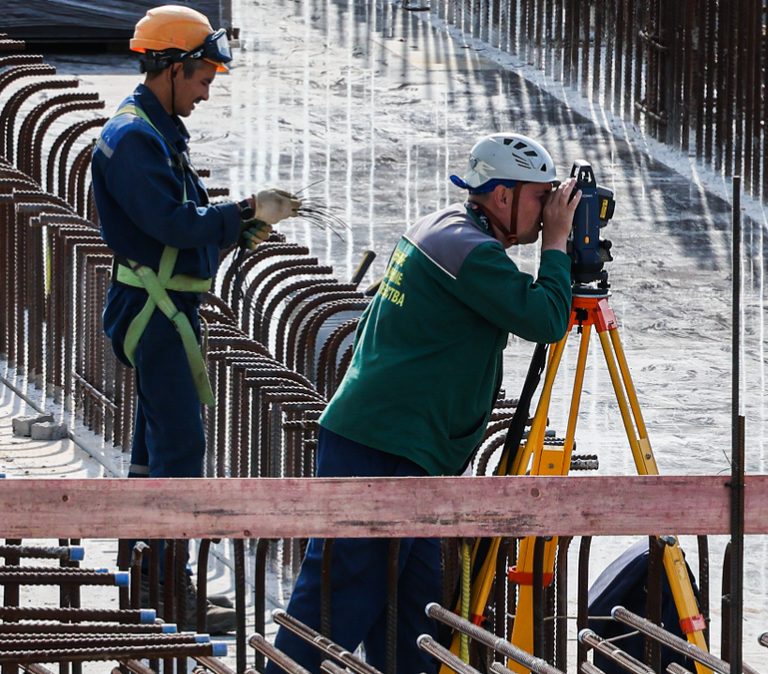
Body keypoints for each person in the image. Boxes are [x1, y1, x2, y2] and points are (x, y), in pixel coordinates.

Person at [268, 133, 580, 672]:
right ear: (501, 197)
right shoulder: (472, 252)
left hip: (398, 442)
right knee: (340, 594)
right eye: (540, 196)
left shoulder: (443, 229)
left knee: (414, 610)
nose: (551, 208)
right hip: (384, 445)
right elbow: (547, 319)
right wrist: (557, 245)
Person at [91, 5, 301, 633]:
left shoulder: (153, 130)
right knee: (180, 449)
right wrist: (241, 211)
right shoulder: (134, 139)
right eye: (204, 78)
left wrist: (241, 227)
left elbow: (181, 225)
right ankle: (167, 594)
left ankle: (144, 578)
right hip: (154, 316)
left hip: (158, 308)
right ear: (173, 68)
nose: (208, 92)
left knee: (154, 450)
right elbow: (174, 225)